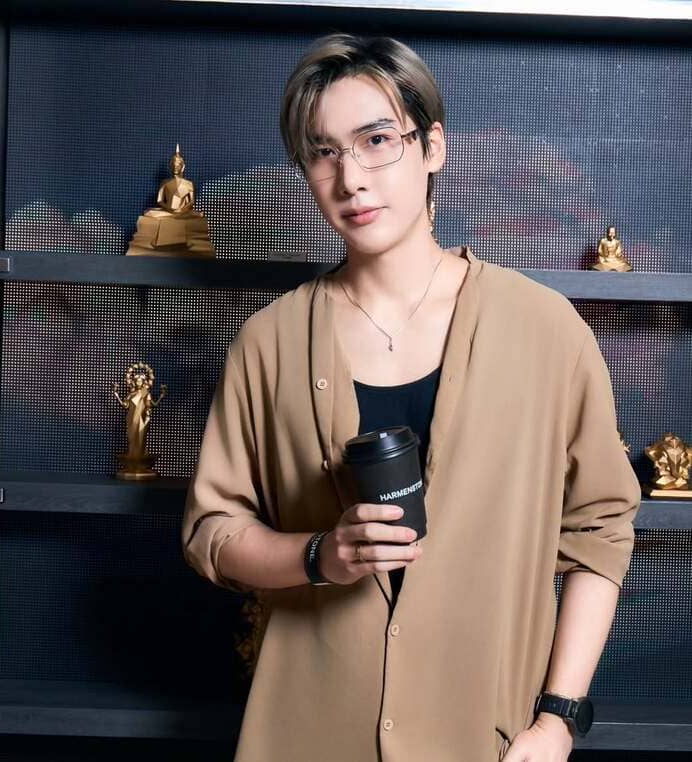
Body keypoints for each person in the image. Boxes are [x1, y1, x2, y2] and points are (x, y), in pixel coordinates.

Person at [181, 34, 641, 762]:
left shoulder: (545, 328)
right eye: (323, 152)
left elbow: (601, 530)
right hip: (306, 735)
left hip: (484, 735)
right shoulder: (269, 341)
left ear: (432, 147)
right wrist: (319, 555)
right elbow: (212, 530)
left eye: (376, 141)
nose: (350, 178)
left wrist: (557, 719)